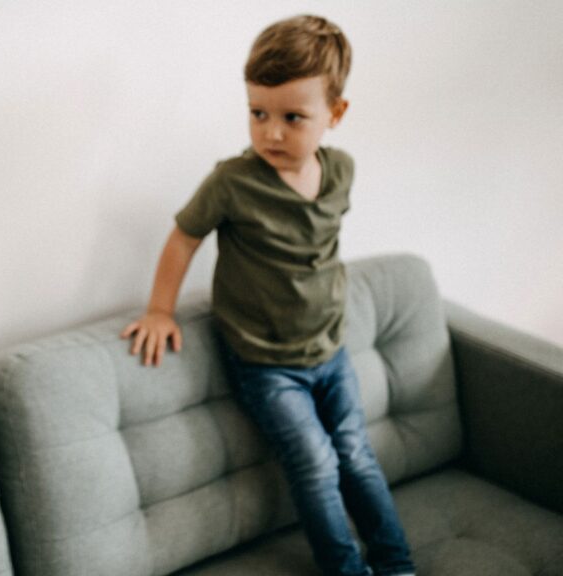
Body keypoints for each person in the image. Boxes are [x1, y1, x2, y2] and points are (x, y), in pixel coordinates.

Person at [121, 15, 416, 576]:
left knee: (356, 453)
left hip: (331, 350)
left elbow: (318, 250)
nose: (270, 132)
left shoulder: (340, 173)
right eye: (258, 113)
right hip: (266, 365)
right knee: (314, 462)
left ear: (336, 114)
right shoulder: (232, 182)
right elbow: (184, 238)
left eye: (291, 118)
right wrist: (160, 309)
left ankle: (396, 563)